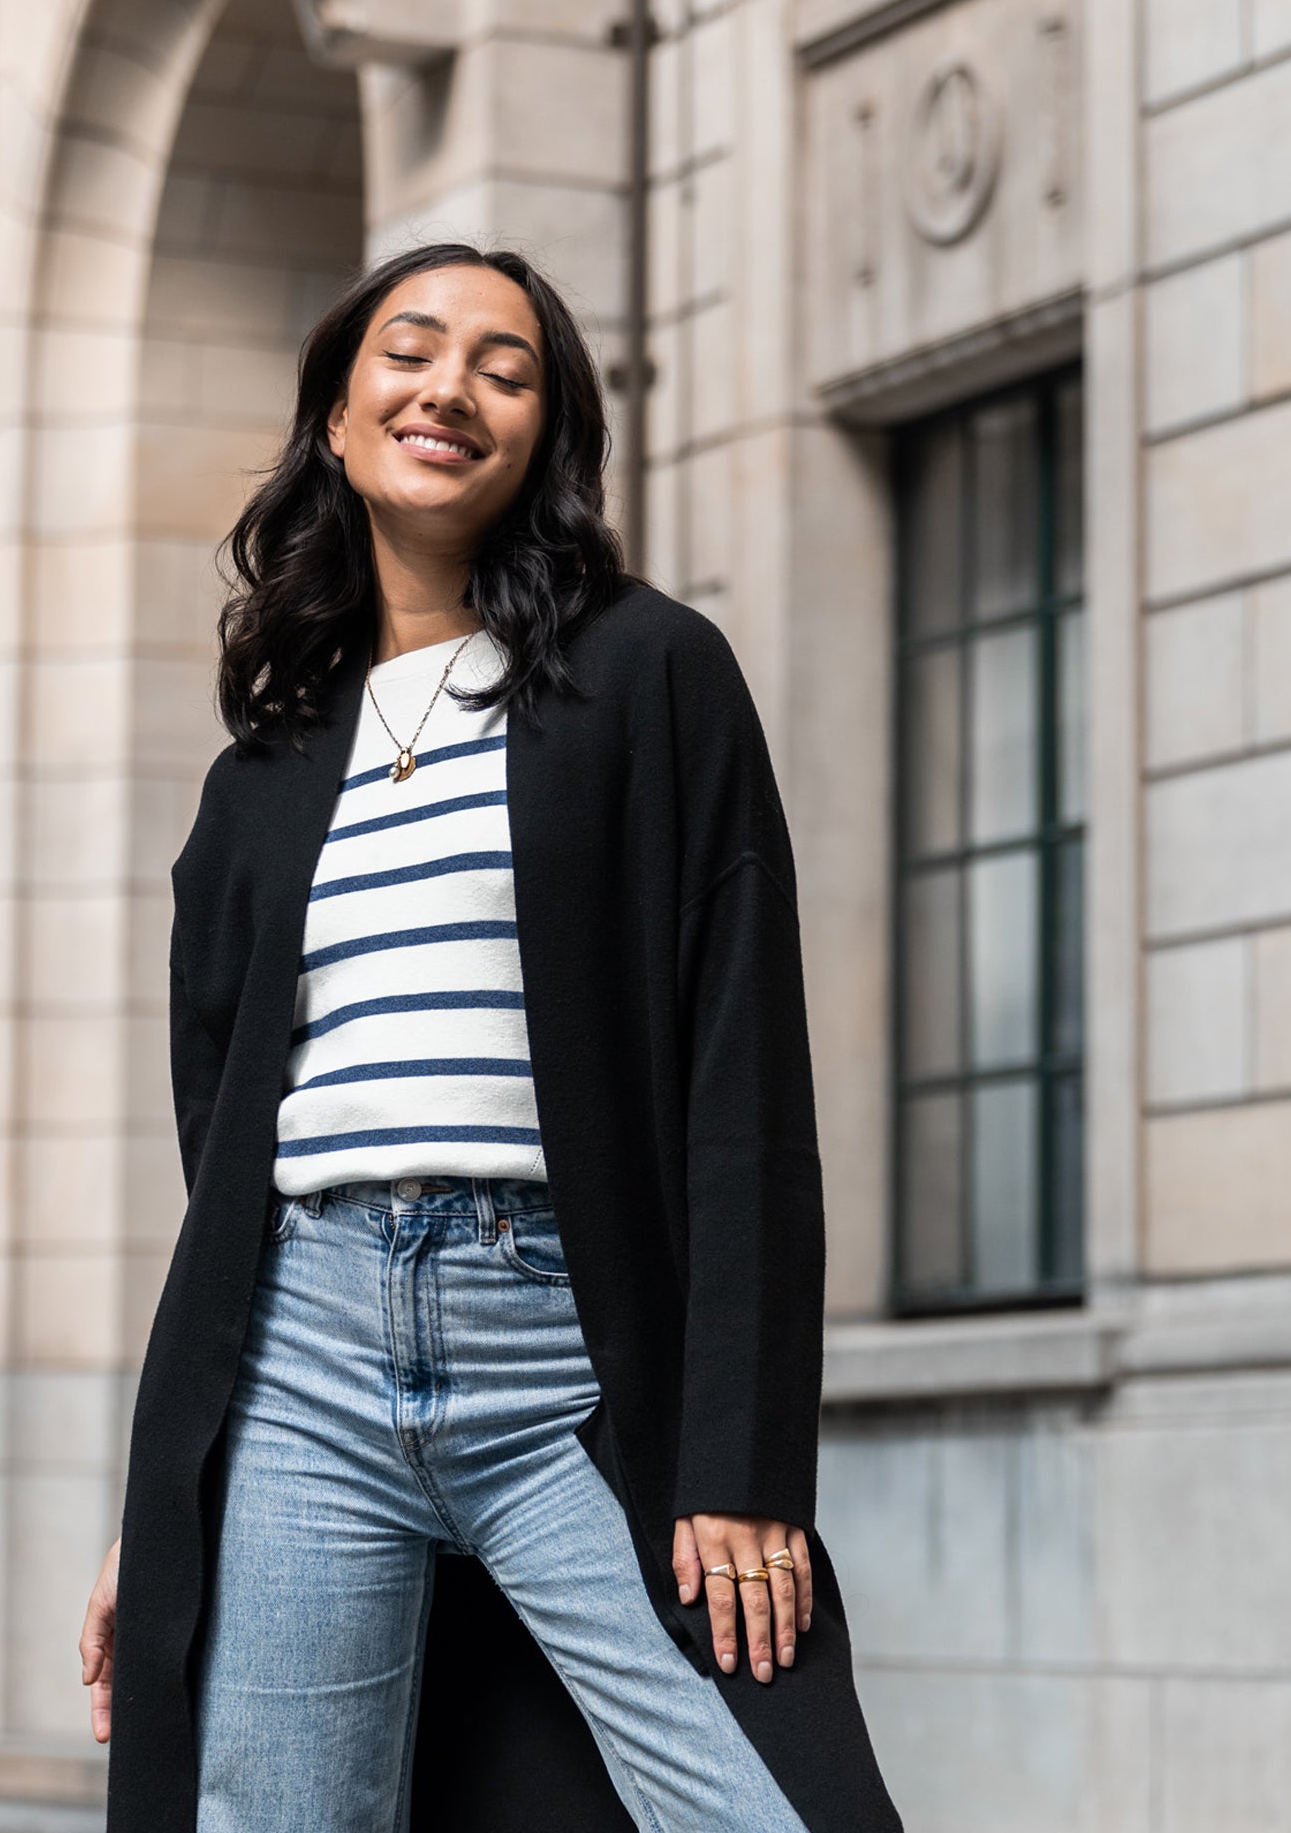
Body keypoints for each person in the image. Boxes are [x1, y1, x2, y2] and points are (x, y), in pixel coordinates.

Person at [79, 241, 902, 1833]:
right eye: (410, 350)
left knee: (756, 1807)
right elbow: (224, 1157)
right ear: (338, 413)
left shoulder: (649, 674)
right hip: (301, 1356)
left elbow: (745, 1078)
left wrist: (743, 1460)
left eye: (505, 369)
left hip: (570, 1358)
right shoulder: (261, 774)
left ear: (543, 437)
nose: (449, 386)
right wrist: (172, 1500)